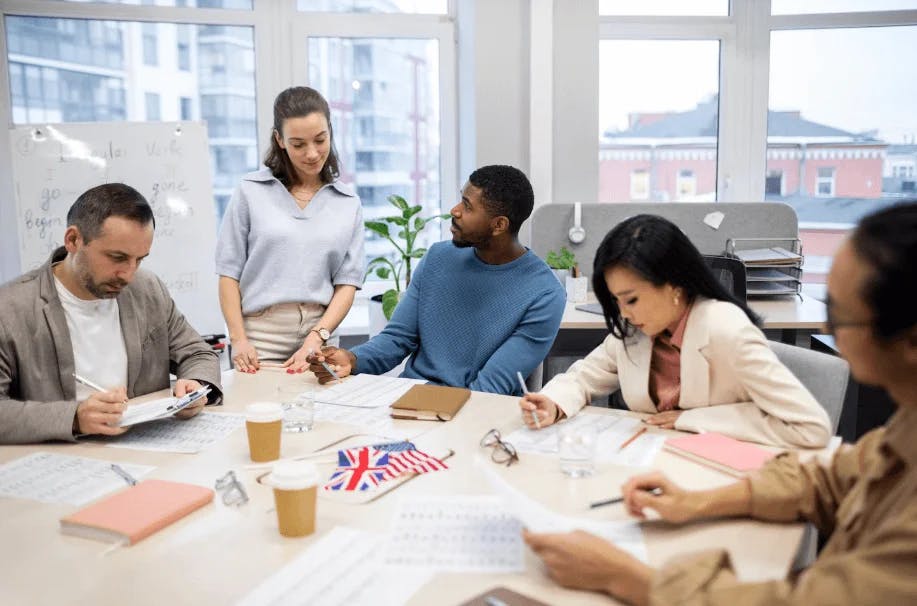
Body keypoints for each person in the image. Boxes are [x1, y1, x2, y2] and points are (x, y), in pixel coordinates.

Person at [524, 201, 917, 605]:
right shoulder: (904, 430)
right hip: (672, 474)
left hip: (714, 470)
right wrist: (696, 503)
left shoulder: (724, 328)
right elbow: (831, 481)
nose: (826, 329)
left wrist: (626, 576)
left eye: (840, 315)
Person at [519, 214, 831, 448]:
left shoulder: (727, 331)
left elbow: (811, 427)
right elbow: (585, 377)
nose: (624, 314)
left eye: (632, 299)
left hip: (722, 474)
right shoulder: (636, 330)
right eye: (617, 301)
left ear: (674, 286)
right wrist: (554, 403)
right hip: (657, 462)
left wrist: (692, 420)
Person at [309, 165, 566, 396]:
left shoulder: (544, 293)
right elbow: (397, 339)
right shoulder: (438, 258)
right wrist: (352, 359)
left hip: (475, 414)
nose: (454, 211)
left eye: (467, 206)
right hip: (410, 400)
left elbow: (491, 388)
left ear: (499, 225)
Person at [0, 183, 221, 445]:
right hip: (63, 454)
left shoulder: (147, 288)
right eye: (117, 257)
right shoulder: (11, 309)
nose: (128, 274)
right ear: (73, 240)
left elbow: (197, 352)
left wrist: (195, 385)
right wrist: (74, 417)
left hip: (147, 447)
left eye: (139, 259)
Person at [216, 86, 364, 374]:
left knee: (319, 416)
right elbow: (228, 273)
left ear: (330, 132)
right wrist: (239, 339)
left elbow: (347, 283)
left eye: (320, 140)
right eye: (298, 144)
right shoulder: (251, 191)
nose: (312, 153)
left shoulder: (348, 203)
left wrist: (317, 337)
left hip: (319, 334)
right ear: (279, 140)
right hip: (260, 337)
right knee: (259, 415)